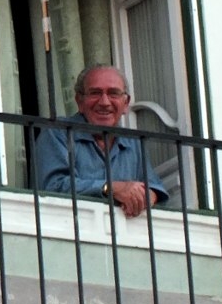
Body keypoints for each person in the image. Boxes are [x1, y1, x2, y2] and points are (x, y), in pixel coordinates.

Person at [34, 64, 168, 218]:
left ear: (126, 103)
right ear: (79, 101)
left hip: (124, 229)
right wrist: (110, 188)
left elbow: (154, 187)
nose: (104, 102)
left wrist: (148, 196)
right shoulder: (58, 132)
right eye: (95, 93)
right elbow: (53, 186)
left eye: (113, 93)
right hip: (68, 225)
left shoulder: (133, 142)